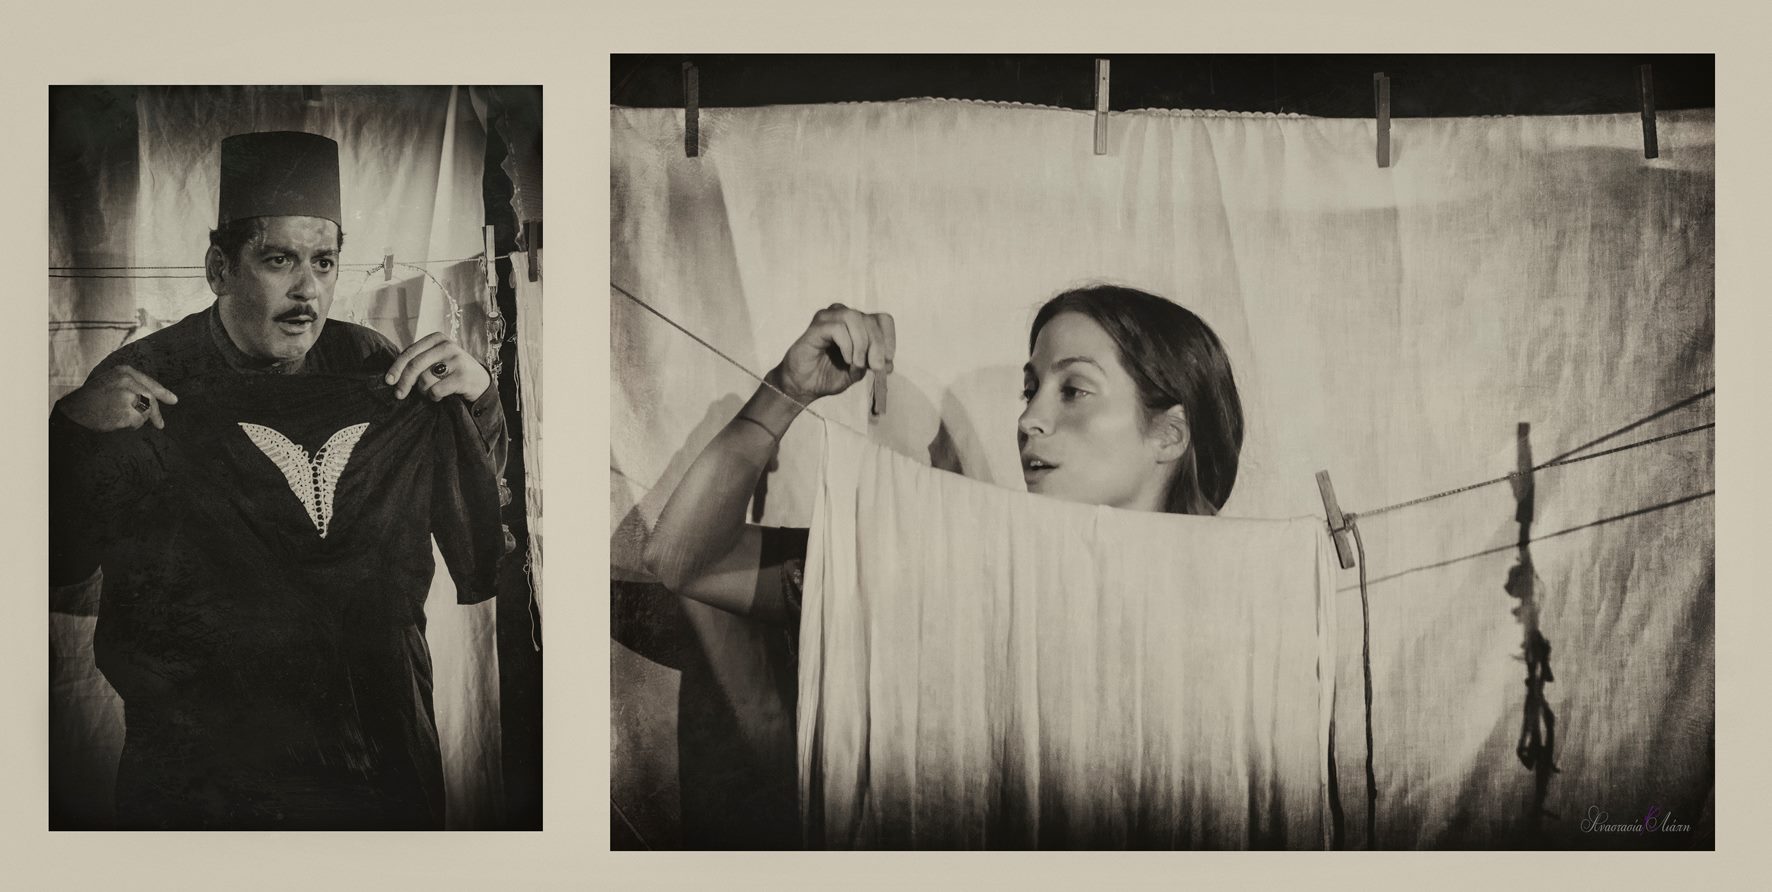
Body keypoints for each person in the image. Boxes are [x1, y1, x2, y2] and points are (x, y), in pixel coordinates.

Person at [48, 130, 507, 829]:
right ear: (219, 268)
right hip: (201, 765)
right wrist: (73, 434)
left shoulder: (375, 370)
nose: (307, 291)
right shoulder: (147, 384)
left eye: (324, 262)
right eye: (278, 260)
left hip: (374, 745)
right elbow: (58, 561)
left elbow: (481, 507)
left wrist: (478, 401)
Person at [643, 283, 1245, 625]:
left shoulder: (1248, 609)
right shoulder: (951, 573)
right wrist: (786, 391)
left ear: (1170, 435)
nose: (1029, 420)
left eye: (1074, 390)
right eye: (1031, 390)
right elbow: (685, 560)